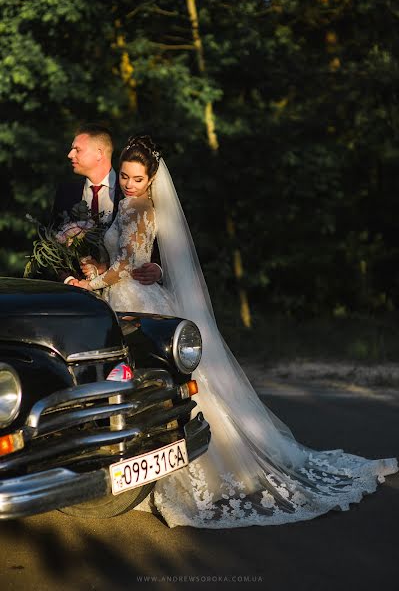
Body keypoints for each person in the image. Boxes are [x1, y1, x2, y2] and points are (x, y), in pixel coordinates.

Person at [76, 135, 397, 528]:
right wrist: (94, 268)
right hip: (126, 295)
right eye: (124, 176)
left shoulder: (140, 209)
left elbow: (128, 263)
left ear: (151, 179)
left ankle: (190, 472)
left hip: (136, 299)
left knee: (162, 382)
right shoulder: (125, 204)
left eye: (137, 179)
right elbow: (122, 259)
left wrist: (91, 285)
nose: (128, 184)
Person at [51, 123, 162, 286]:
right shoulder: (66, 192)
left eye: (77, 149)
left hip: (130, 290)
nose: (70, 154)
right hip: (77, 293)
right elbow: (52, 244)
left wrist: (158, 269)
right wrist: (68, 280)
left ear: (99, 153)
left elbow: (163, 243)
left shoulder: (139, 194)